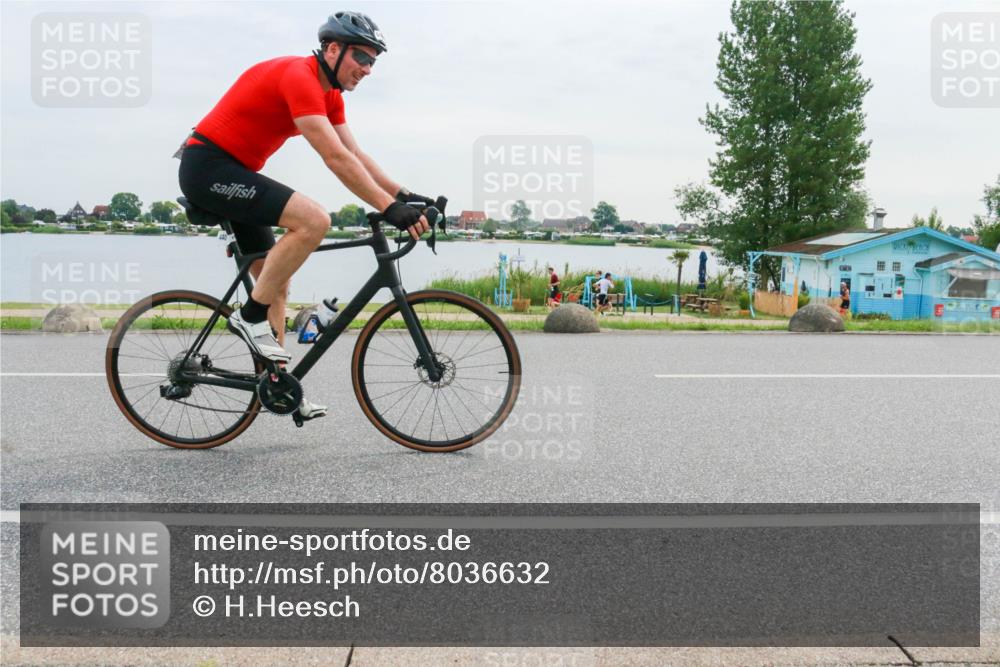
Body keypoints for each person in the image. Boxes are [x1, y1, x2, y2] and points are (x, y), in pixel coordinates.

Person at [177, 12, 433, 418]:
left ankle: (278, 386)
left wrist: (404, 195)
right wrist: (389, 209)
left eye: (373, 63)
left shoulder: (330, 94)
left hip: (236, 173)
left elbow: (355, 155)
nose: (366, 69)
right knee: (314, 220)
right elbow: (333, 158)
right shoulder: (300, 77)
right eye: (361, 58)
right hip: (207, 168)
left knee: (275, 283)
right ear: (333, 49)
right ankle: (249, 317)